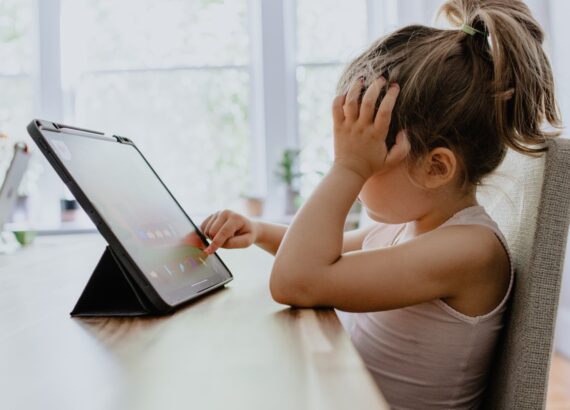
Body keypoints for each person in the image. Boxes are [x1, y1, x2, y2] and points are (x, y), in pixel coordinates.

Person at [200, 0, 561, 408]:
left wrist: (348, 166)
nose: (353, 179)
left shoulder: (470, 251)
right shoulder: (408, 227)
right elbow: (322, 254)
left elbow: (296, 280)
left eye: (367, 160)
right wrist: (260, 230)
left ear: (435, 168)